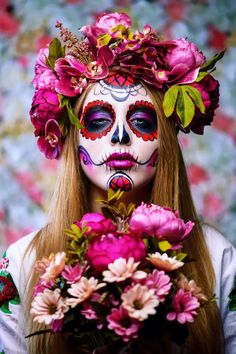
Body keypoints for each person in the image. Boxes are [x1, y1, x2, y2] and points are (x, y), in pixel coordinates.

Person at [0, 12, 235, 354]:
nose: (121, 136)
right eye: (98, 121)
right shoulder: (20, 264)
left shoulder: (219, 259)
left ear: (165, 142)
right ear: (75, 138)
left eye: (140, 119)